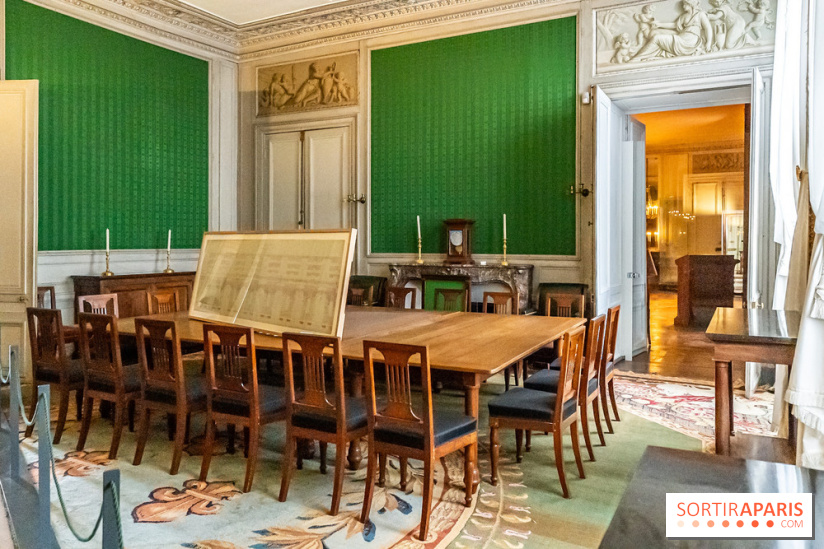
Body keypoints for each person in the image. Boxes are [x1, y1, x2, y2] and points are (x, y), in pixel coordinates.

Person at [632, 0, 714, 60]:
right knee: (655, 33)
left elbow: (708, 28)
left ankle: (636, 59)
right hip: (681, 38)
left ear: (690, 4)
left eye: (684, 4)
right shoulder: (684, 16)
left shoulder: (700, 14)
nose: (683, 6)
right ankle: (646, 56)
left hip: (689, 41)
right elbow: (675, 25)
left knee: (657, 38)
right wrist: (660, 25)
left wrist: (709, 43)